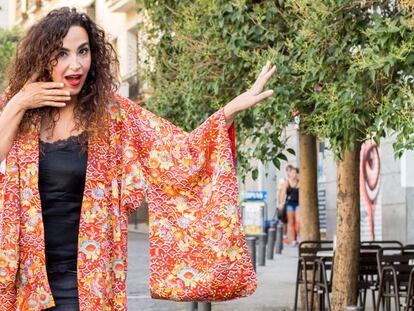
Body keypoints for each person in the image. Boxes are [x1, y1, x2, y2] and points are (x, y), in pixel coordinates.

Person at [0, 7, 276, 310]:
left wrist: (230, 110)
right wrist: (19, 103)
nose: (75, 64)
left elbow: (178, 152)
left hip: (89, 285)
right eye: (62, 54)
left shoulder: (113, 116)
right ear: (42, 57)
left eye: (83, 51)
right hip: (22, 283)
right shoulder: (17, 111)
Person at [277, 164, 300, 245]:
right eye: (292, 173)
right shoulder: (286, 182)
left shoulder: (299, 182)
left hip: (298, 204)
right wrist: (280, 203)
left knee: (298, 221)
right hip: (289, 204)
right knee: (290, 222)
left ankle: (298, 237)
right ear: (290, 174)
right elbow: (282, 193)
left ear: (297, 174)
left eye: (295, 173)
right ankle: (293, 240)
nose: (293, 174)